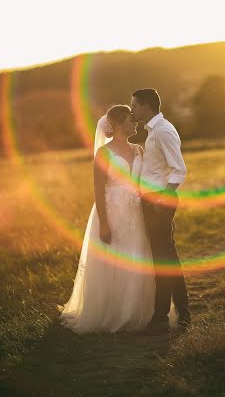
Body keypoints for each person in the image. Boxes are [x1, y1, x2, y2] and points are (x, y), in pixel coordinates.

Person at [57, 105, 155, 333]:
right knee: (112, 261)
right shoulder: (104, 153)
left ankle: (134, 312)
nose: (136, 124)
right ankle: (110, 314)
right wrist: (104, 223)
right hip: (112, 211)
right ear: (119, 125)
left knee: (137, 258)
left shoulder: (139, 150)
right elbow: (98, 191)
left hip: (137, 213)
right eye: (132, 120)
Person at [131, 88, 191, 334]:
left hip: (159, 201)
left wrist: (161, 199)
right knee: (168, 259)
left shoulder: (164, 130)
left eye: (134, 105)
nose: (132, 109)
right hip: (151, 200)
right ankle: (183, 312)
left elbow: (179, 169)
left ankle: (160, 316)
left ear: (146, 106)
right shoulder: (153, 131)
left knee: (162, 260)